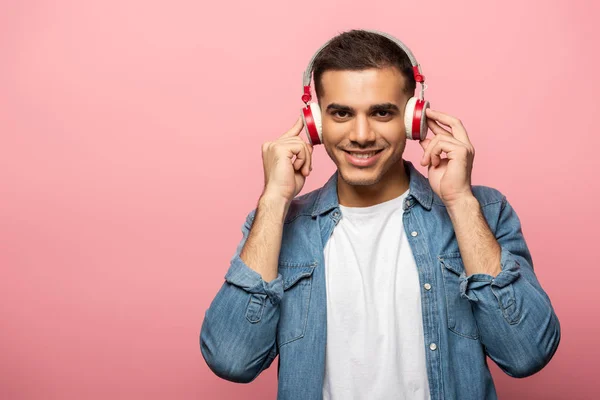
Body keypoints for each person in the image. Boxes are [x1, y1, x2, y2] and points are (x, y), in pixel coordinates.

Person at [199, 29, 560, 400]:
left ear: (413, 118)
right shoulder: (274, 225)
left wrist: (460, 201)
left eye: (382, 112)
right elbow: (231, 360)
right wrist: (274, 199)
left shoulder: (485, 212)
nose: (361, 134)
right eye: (340, 113)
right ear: (315, 124)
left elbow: (527, 354)